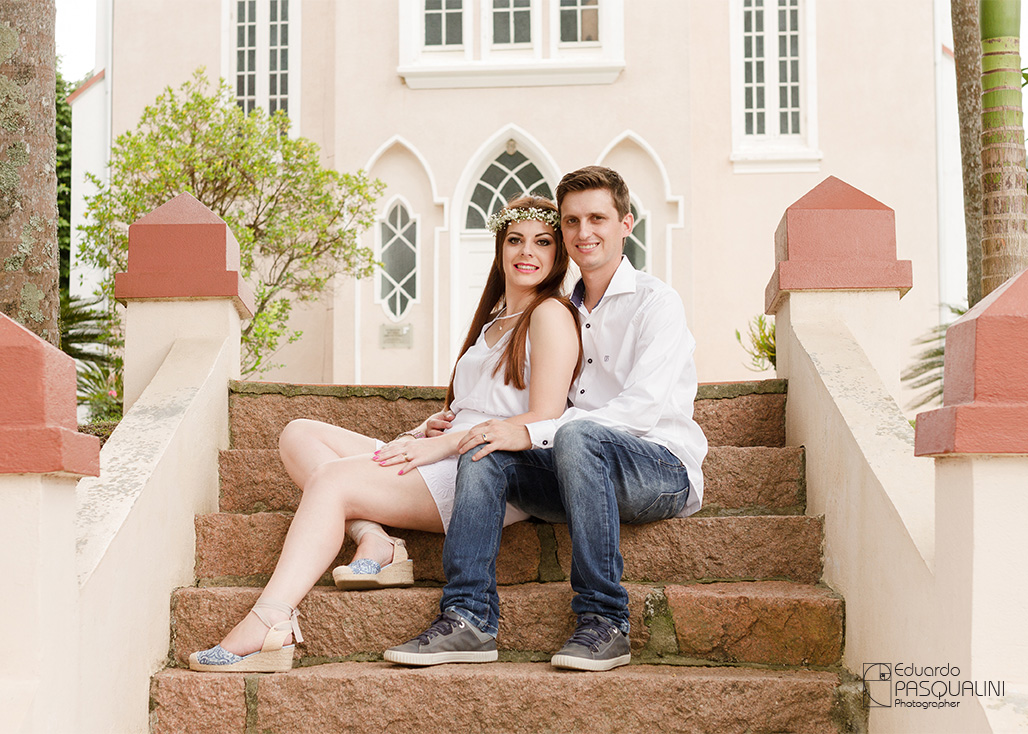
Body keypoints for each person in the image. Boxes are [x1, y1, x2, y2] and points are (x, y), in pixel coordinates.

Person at [188, 195, 581, 672]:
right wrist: (427, 428)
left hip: (483, 472)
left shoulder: (551, 313)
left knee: (332, 480)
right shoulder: (495, 319)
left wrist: (442, 443)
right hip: (445, 450)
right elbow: (476, 403)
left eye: (543, 242)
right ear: (499, 247)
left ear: (558, 254)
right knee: (298, 433)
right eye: (515, 239)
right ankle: (375, 538)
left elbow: (544, 417)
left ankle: (271, 620)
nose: (527, 252)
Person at [385, 166, 707, 671]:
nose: (584, 232)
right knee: (485, 445)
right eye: (573, 221)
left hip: (659, 470)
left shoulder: (656, 302)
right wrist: (471, 425)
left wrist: (532, 430)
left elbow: (640, 411)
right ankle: (469, 618)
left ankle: (604, 621)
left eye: (597, 218)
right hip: (574, 468)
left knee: (577, 434)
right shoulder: (562, 310)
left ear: (626, 224)